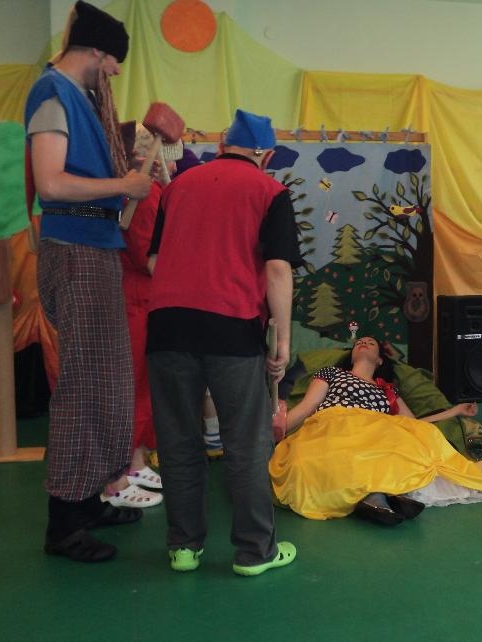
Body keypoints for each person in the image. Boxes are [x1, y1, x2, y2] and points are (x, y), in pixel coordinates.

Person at [146, 109, 301, 575]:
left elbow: (153, 261)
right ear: (266, 155)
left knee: (178, 440)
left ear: (220, 146)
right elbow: (278, 269)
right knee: (246, 443)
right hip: (231, 327)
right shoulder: (270, 191)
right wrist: (283, 339)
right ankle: (256, 552)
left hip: (167, 327)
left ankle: (183, 547)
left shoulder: (176, 187)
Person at [25, 0, 152, 563]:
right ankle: (64, 523)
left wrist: (129, 176)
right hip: (74, 248)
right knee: (83, 384)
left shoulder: (79, 98)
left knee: (109, 380)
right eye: (114, 62)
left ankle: (92, 496)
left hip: (94, 247)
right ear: (97, 51)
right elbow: (51, 183)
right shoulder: (52, 94)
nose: (115, 73)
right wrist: (121, 186)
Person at [269, 337, 482, 525]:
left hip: (378, 428)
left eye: (370, 343)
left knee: (412, 439)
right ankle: (379, 497)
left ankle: (383, 496)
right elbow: (307, 407)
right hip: (335, 422)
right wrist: (273, 433)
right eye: (359, 342)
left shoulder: (388, 389)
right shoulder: (331, 373)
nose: (363, 342)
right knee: (323, 456)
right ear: (351, 354)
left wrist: (454, 411)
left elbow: (414, 423)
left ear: (380, 360)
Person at [101, 126, 186, 509]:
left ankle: (134, 463)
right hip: (136, 299)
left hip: (140, 297)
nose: (173, 166)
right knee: (133, 387)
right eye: (169, 158)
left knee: (143, 386)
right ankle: (116, 478)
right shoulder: (145, 195)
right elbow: (146, 257)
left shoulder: (141, 192)